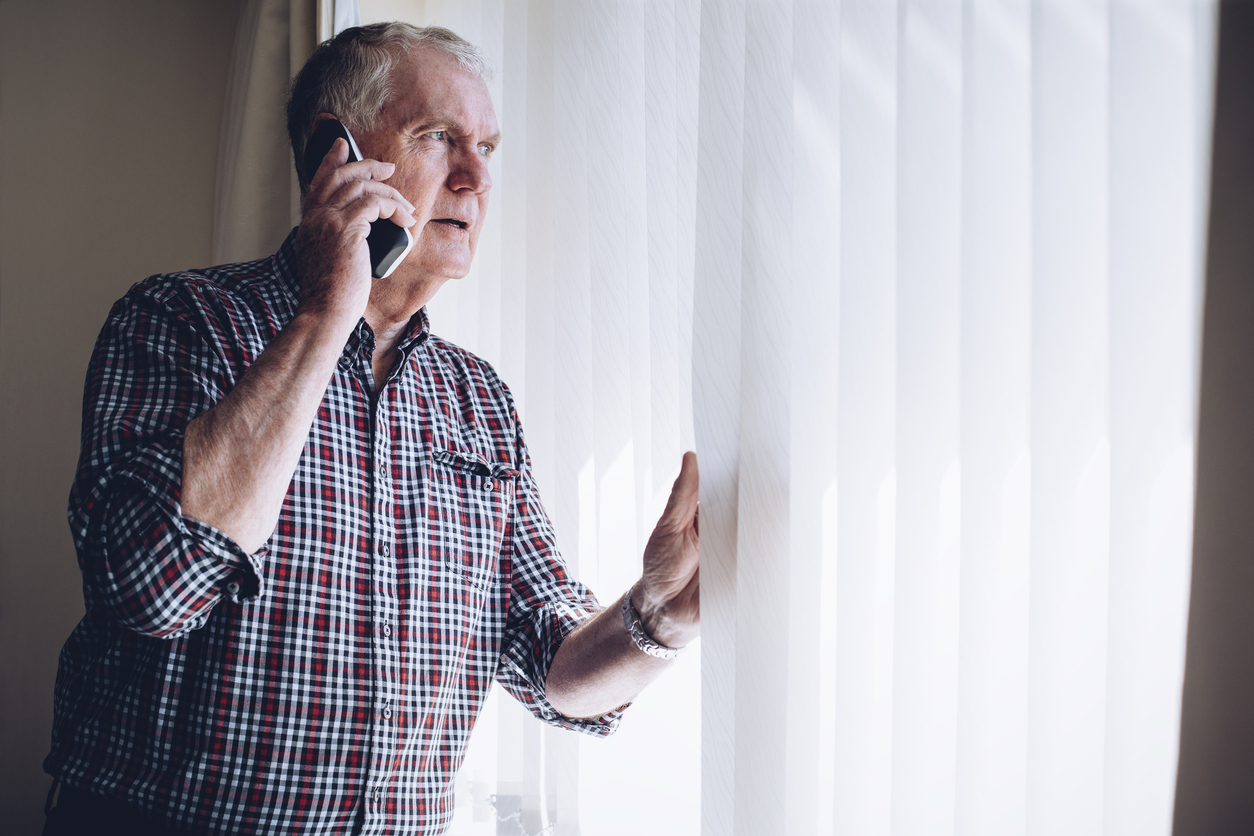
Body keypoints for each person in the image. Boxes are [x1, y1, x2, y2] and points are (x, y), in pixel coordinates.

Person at [43, 23, 699, 836]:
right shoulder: (179, 319)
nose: (474, 177)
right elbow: (152, 591)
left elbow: (552, 666)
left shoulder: (480, 400)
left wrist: (658, 619)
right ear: (336, 155)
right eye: (439, 138)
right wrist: (328, 311)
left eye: (488, 147)